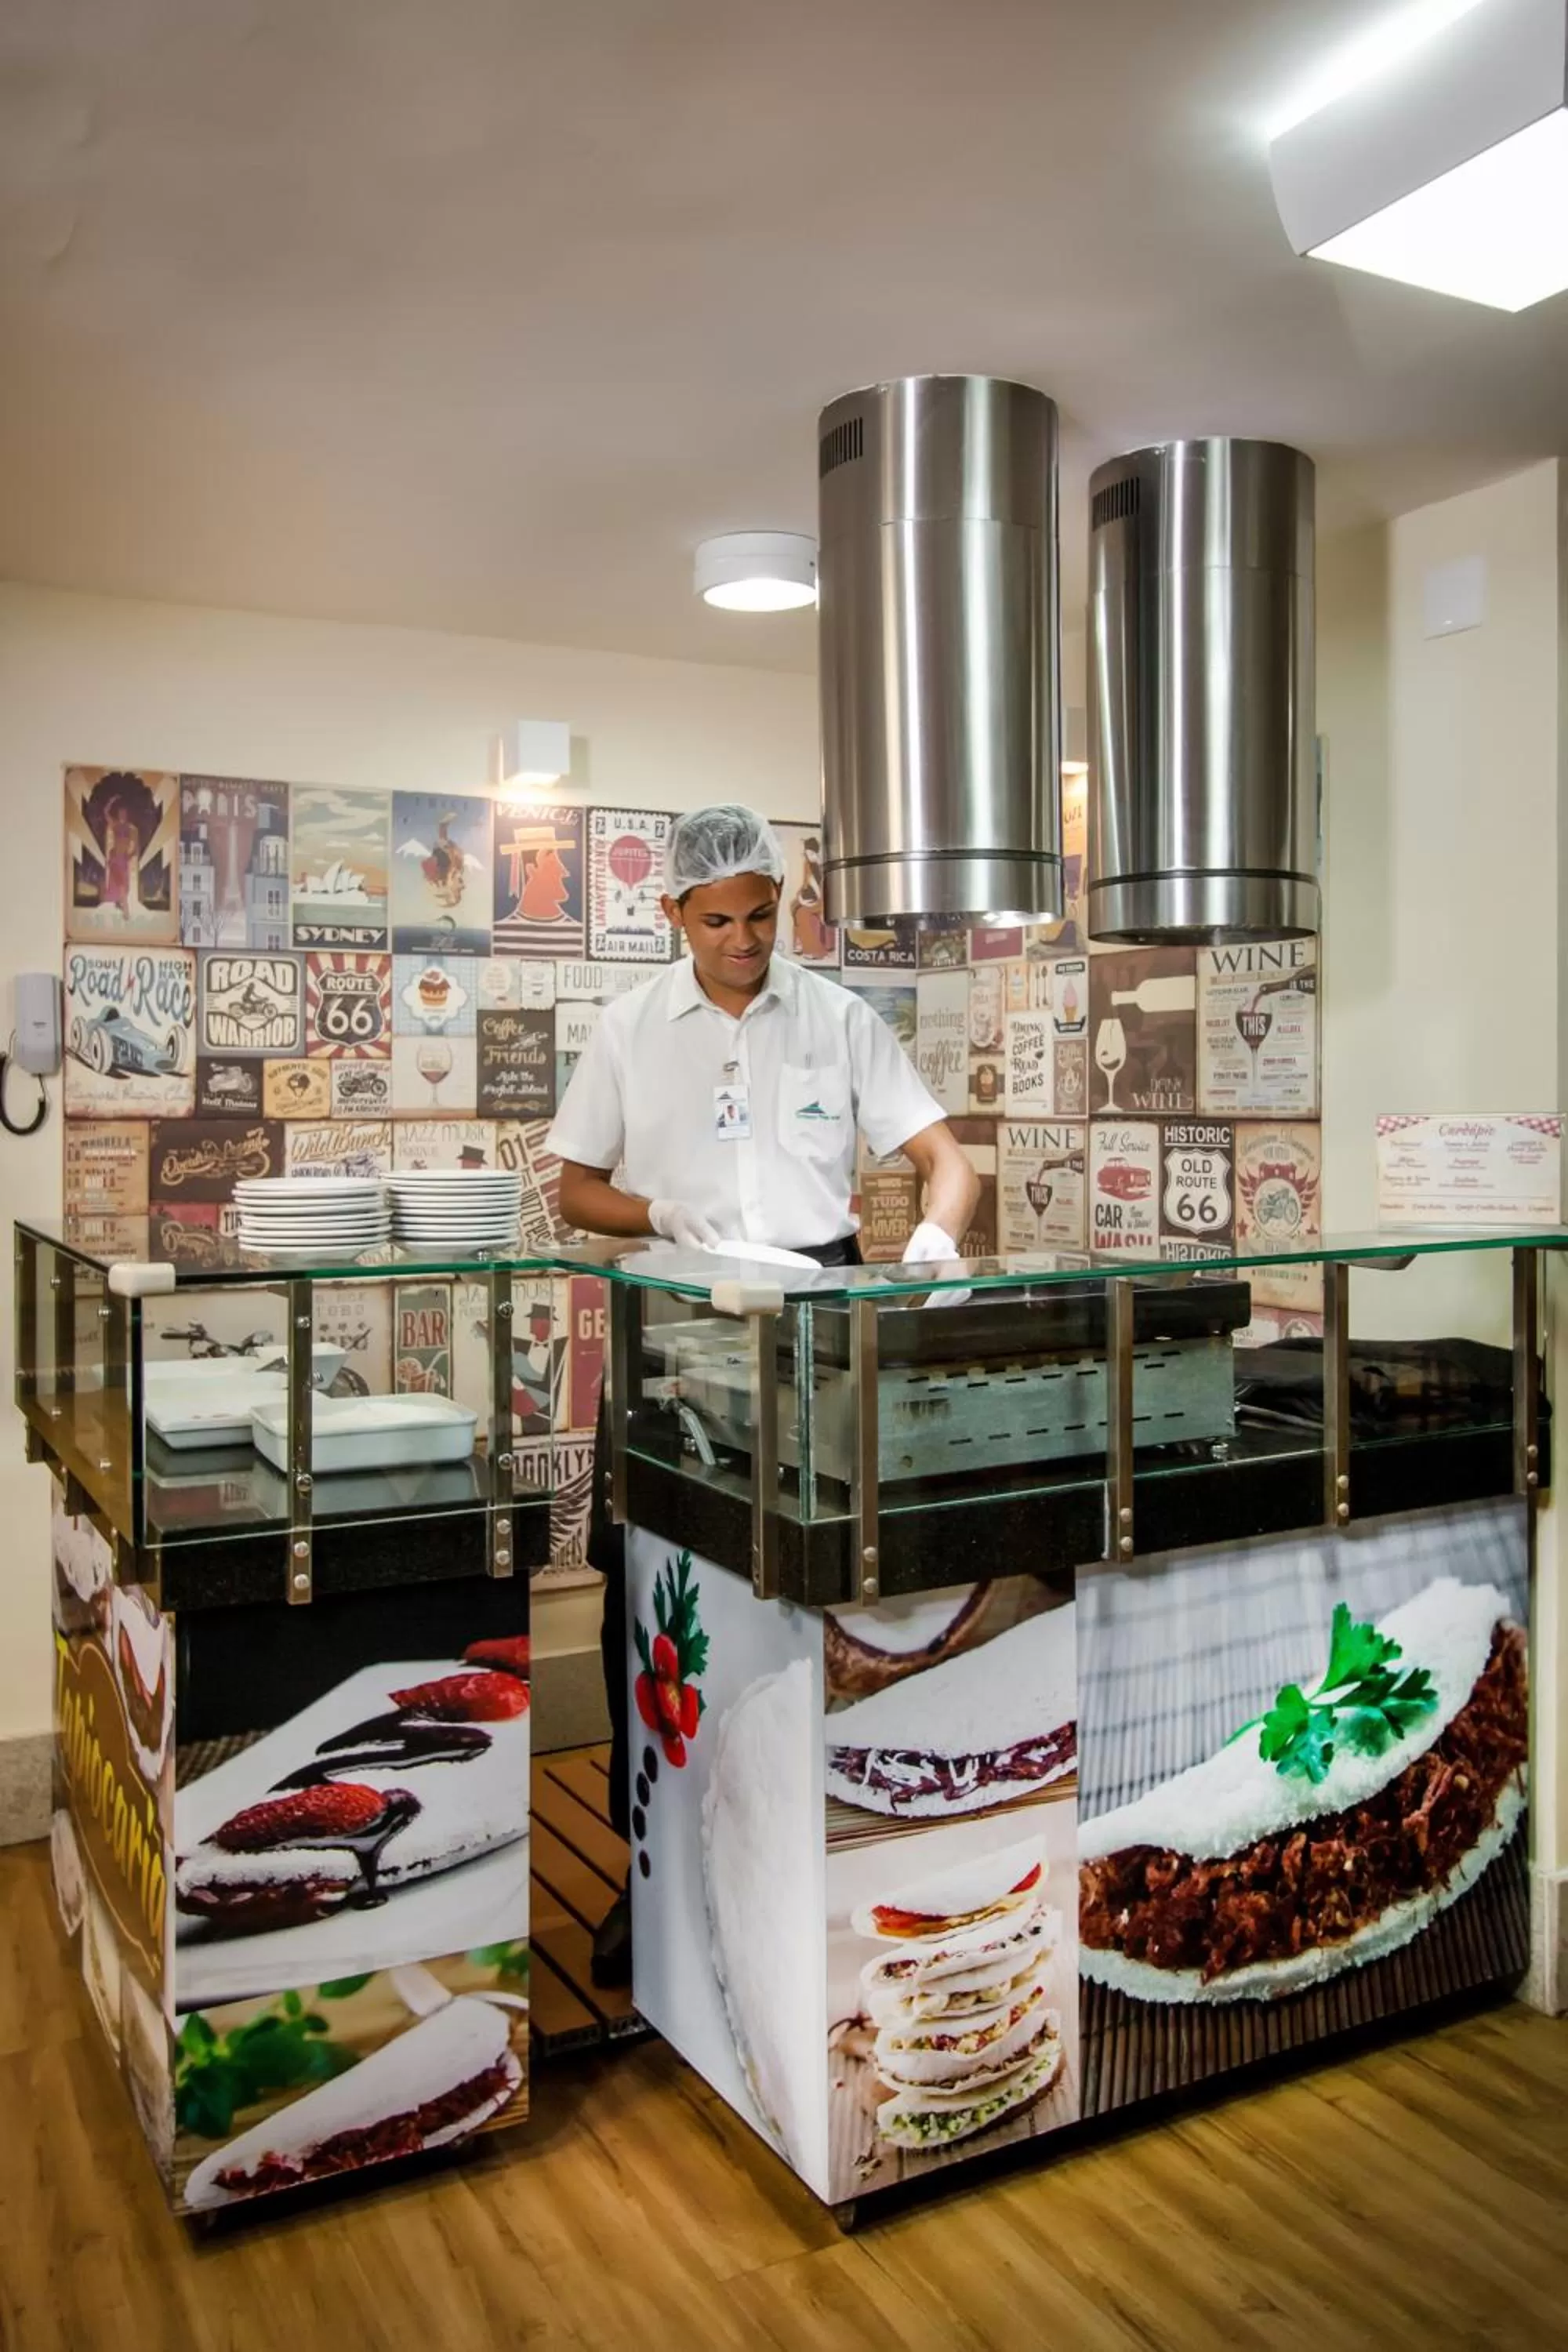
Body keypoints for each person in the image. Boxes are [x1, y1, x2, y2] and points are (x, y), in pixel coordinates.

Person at [546, 803, 978, 1985]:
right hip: (671, 1325)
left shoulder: (838, 1018)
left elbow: (950, 1160)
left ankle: (812, 1873)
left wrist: (936, 1242)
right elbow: (574, 1192)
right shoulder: (631, 1029)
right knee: (645, 1592)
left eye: (763, 914)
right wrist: (658, 1216)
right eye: (719, 920)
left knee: (813, 1589)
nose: (746, 940)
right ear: (671, 914)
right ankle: (652, 1883)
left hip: (813, 1323)